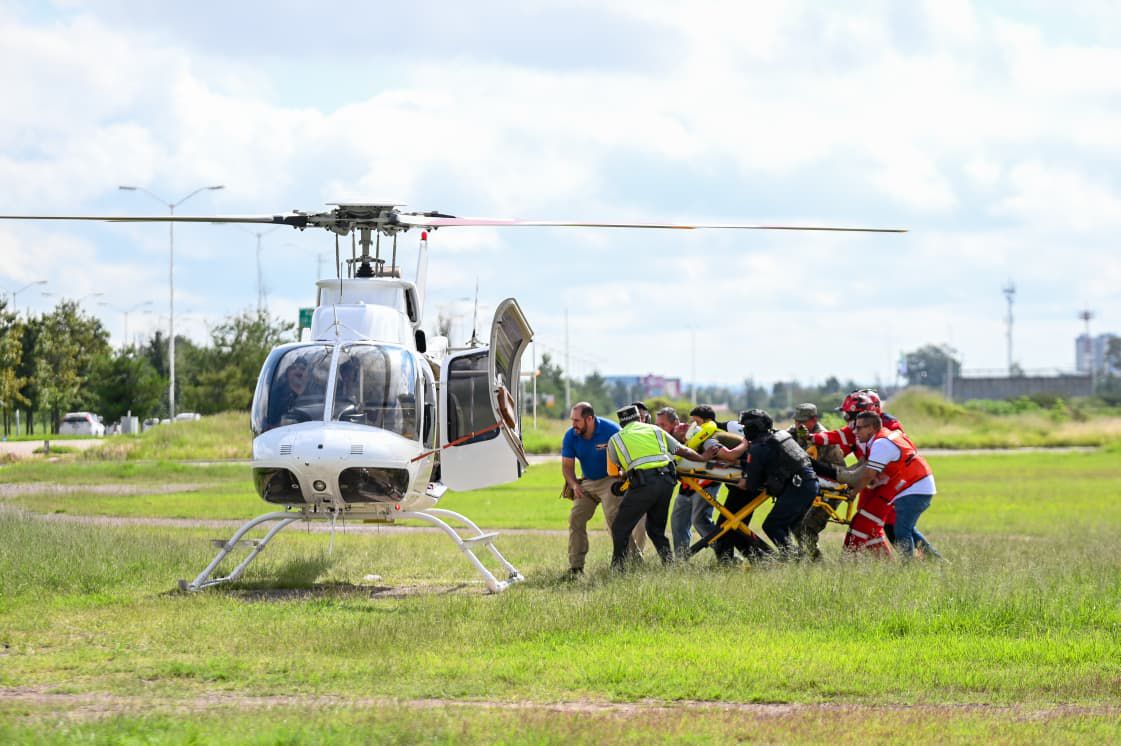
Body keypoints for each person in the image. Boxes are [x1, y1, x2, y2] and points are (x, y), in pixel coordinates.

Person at [607, 404, 709, 570]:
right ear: (640, 419)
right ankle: (669, 565)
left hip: (643, 484)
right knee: (655, 530)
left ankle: (618, 570)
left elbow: (616, 471)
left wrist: (624, 477)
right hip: (667, 482)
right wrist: (703, 457)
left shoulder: (616, 439)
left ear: (621, 424)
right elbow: (680, 449)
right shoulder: (655, 430)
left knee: (620, 528)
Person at [707, 409, 819, 559]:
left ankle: (796, 559)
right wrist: (741, 463)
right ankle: (798, 558)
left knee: (773, 525)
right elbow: (775, 462)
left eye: (746, 427)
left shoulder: (758, 447)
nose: (744, 431)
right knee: (786, 526)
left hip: (799, 486)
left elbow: (751, 484)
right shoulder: (779, 436)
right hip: (807, 483)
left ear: (754, 427)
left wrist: (743, 482)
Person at [848, 411, 942, 559]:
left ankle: (908, 567)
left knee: (901, 530)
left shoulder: (880, 444)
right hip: (918, 483)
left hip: (914, 486)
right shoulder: (887, 435)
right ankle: (936, 560)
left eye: (859, 428)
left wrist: (853, 493)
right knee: (907, 529)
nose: (855, 431)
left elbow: (869, 474)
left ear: (871, 428)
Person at [561, 402, 640, 575]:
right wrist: (574, 485)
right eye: (572, 420)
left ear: (589, 419)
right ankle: (576, 568)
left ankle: (634, 562)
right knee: (576, 519)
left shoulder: (611, 430)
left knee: (614, 520)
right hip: (587, 482)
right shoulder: (571, 436)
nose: (573, 424)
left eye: (577, 420)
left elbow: (630, 456)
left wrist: (624, 476)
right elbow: (567, 467)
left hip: (610, 479)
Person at [788, 403, 847, 561]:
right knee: (794, 523)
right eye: (797, 421)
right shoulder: (794, 432)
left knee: (808, 528)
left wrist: (812, 465)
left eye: (803, 421)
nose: (799, 424)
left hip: (832, 489)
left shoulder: (824, 438)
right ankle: (811, 559)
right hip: (811, 487)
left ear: (814, 419)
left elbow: (838, 471)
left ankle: (816, 562)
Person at [655, 406, 693, 557]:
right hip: (687, 487)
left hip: (705, 484)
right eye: (657, 426)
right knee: (678, 523)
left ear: (675, 422)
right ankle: (682, 561)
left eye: (663, 425)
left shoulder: (687, 432)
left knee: (701, 523)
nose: (660, 429)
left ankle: (726, 554)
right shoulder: (663, 438)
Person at [267, 356, 310, 429]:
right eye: (294, 368)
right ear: (288, 372)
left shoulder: (318, 394)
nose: (298, 371)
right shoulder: (276, 396)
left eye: (302, 369)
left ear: (308, 375)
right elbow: (269, 424)